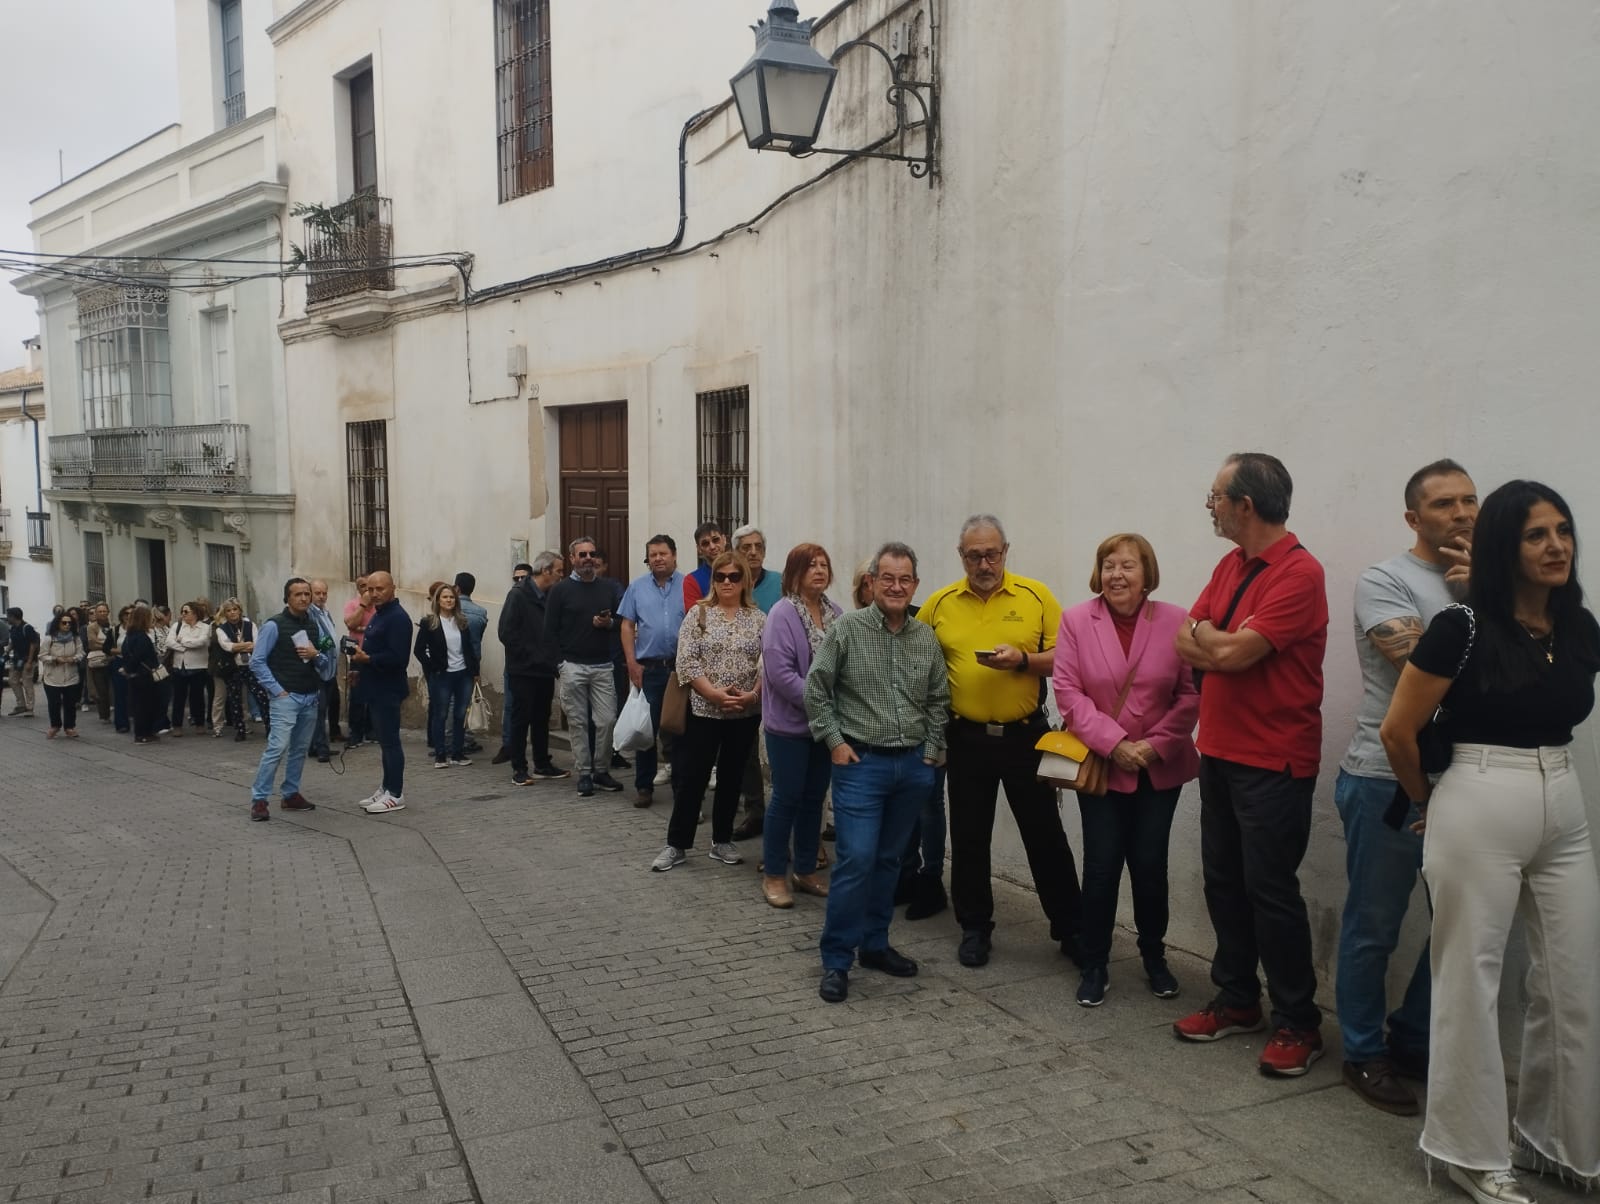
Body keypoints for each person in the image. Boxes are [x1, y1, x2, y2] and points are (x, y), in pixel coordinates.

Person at [1380, 480, 1600, 1204]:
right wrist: (1424, 801)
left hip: (1562, 799)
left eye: (1563, 531)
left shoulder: (1578, 626)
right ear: (1507, 545)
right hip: (1477, 793)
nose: (1556, 545)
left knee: (1573, 980)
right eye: (1537, 534)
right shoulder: (1462, 626)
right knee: (1469, 977)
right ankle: (1468, 1151)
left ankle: (1557, 1141)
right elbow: (1399, 730)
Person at [1173, 452, 1328, 1077]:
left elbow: (1232, 653)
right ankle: (1239, 1000)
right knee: (1224, 883)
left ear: (1246, 504)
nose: (1210, 507)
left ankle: (1299, 1022)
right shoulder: (1230, 563)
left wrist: (1213, 641)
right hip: (1222, 751)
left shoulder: (1299, 573)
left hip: (1275, 762)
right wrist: (1214, 641)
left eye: (1215, 496)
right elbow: (1185, 635)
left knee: (1271, 893)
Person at [1335, 460, 1477, 1116]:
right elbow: (1433, 672)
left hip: (1469, 781)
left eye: (1471, 500)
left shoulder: (1494, 583)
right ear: (1414, 519)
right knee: (1374, 926)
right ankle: (1363, 1053)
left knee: (1460, 923)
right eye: (1445, 504)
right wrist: (1482, 605)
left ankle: (1414, 1038)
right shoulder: (1386, 581)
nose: (1463, 513)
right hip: (1385, 779)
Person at [917, 515, 1083, 969]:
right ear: (961, 556)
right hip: (966, 737)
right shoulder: (940, 603)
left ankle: (1071, 928)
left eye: (992, 553)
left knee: (1045, 835)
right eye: (974, 555)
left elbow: (1067, 658)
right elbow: (914, 653)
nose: (984, 563)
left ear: (1006, 551)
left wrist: (1023, 660)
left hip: (1023, 735)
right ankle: (974, 928)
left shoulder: (1036, 596)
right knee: (969, 837)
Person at [1053, 533, 1201, 1007]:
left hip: (1159, 766)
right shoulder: (1077, 620)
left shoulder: (1177, 621)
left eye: (1128, 566)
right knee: (1100, 868)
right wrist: (1116, 744)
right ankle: (1094, 962)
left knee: (1150, 866)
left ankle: (1154, 957)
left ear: (1146, 573)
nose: (1117, 574)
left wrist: (1154, 747)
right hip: (1102, 764)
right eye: (1108, 565)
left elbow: (1191, 695)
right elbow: (1069, 692)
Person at [804, 542, 948, 1004]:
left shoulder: (925, 637)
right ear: (871, 582)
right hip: (861, 766)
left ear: (915, 585)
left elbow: (939, 701)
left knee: (889, 861)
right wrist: (836, 743)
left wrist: (930, 752)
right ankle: (836, 959)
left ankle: (876, 944)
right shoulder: (847, 629)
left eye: (905, 579)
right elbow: (815, 690)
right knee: (856, 860)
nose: (896, 586)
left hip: (911, 769)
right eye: (887, 578)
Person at [650, 551, 765, 872]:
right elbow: (686, 661)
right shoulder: (699, 614)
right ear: (713, 579)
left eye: (734, 576)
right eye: (720, 576)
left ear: (745, 580)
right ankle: (677, 844)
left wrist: (752, 695)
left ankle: (722, 840)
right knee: (692, 777)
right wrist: (713, 693)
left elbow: (766, 663)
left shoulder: (758, 618)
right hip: (704, 711)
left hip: (743, 712)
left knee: (731, 778)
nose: (727, 582)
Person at [759, 543, 840, 907]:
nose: (820, 571)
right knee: (787, 798)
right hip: (789, 727)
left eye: (824, 565)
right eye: (812, 566)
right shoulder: (781, 613)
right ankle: (774, 875)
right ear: (796, 572)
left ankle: (806, 870)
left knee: (814, 801)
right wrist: (821, 704)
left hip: (823, 728)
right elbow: (780, 674)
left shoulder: (836, 613)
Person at [246, 578, 336, 821]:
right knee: (276, 748)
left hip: (310, 695)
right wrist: (277, 690)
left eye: (307, 594)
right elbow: (257, 661)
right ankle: (260, 799)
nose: (304, 598)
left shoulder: (314, 625)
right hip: (286, 697)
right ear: (287, 598)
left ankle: (291, 794)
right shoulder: (274, 625)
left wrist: (316, 654)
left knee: (299, 749)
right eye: (298, 594)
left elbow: (324, 662)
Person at [545, 536, 626, 797]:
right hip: (573, 666)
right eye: (582, 555)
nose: (588, 558)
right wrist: (560, 664)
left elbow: (621, 622)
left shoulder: (607, 588)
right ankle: (584, 772)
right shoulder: (560, 590)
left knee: (607, 720)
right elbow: (549, 631)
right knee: (578, 723)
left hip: (603, 665)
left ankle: (601, 769)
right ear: (573, 559)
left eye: (591, 554)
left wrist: (608, 624)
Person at [619, 535, 687, 806]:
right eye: (653, 555)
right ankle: (644, 787)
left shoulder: (688, 585)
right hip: (651, 670)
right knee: (646, 730)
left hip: (683, 670)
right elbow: (626, 626)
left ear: (674, 555)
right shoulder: (636, 588)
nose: (658, 558)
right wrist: (632, 663)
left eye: (663, 553)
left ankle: (682, 787)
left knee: (681, 731)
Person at [499, 554, 568, 785]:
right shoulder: (518, 595)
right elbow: (507, 633)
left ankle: (543, 763)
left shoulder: (551, 597)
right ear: (546, 571)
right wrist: (532, 656)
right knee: (521, 719)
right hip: (523, 670)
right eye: (558, 571)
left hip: (545, 670)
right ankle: (519, 768)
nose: (561, 575)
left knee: (542, 718)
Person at [351, 571, 411, 814]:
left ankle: (395, 793)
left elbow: (399, 658)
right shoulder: (379, 614)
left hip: (388, 689)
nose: (374, 594)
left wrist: (369, 658)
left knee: (391, 742)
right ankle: (386, 787)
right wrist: (360, 668)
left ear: (393, 589)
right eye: (370, 589)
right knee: (385, 743)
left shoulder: (397, 618)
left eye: (380, 589)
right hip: (374, 687)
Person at [415, 583, 478, 770]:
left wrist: (475, 671)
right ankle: (441, 754)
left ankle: (457, 753)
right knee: (440, 714)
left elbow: (470, 648)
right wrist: (432, 666)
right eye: (445, 597)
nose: (449, 600)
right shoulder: (430, 622)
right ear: (438, 600)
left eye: (451, 597)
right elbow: (418, 650)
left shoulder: (462, 621)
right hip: (442, 675)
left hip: (463, 674)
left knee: (460, 714)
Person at [453, 571, 489, 754]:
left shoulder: (450, 609)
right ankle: (467, 739)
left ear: (457, 588)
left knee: (451, 701)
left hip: (451, 660)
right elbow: (478, 637)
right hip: (472, 661)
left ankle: (450, 738)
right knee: (468, 701)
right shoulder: (481, 613)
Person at [307, 581, 343, 759]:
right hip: (318, 667)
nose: (321, 596)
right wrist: (329, 643)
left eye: (324, 593)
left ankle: (315, 745)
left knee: (325, 707)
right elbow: (317, 639)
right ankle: (321, 749)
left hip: (329, 667)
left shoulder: (325, 612)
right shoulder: (310, 613)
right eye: (317, 593)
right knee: (319, 710)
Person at [214, 599, 257, 740]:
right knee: (235, 699)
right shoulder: (221, 629)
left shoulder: (250, 625)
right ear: (225, 613)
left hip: (250, 665)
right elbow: (228, 646)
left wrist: (240, 645)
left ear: (239, 610)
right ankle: (240, 730)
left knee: (260, 695)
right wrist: (245, 645)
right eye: (228, 610)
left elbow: (256, 644)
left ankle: (268, 727)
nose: (232, 612)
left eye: (235, 609)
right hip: (233, 667)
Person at [167, 601, 212, 736]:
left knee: (197, 697)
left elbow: (201, 642)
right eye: (182, 611)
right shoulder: (177, 626)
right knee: (179, 697)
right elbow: (169, 642)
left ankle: (199, 723)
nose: (183, 614)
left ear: (195, 613)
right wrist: (184, 648)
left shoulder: (205, 627)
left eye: (186, 611)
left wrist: (182, 641)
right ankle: (177, 725)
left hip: (198, 666)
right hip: (179, 666)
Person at [119, 604, 162, 743]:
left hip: (135, 676)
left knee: (141, 704)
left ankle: (145, 732)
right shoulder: (142, 637)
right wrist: (128, 668)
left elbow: (126, 653)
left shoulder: (129, 636)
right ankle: (142, 733)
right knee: (145, 705)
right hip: (144, 675)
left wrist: (127, 669)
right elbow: (138, 656)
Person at [40, 612, 85, 738]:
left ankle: (69, 727)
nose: (67, 625)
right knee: (54, 703)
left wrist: (74, 658)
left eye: (69, 623)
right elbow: (42, 656)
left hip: (71, 676)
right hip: (52, 677)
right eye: (64, 622)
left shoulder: (75, 638)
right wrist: (54, 659)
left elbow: (81, 653)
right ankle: (55, 725)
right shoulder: (50, 639)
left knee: (70, 703)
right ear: (57, 623)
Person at [343, 576, 374, 748]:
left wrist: (362, 628)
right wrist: (363, 605)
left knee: (374, 695)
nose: (367, 589)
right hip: (357, 656)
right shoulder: (352, 605)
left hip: (375, 656)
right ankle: (355, 733)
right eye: (363, 586)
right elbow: (351, 624)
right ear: (358, 588)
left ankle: (371, 731)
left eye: (369, 586)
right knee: (357, 696)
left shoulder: (379, 606)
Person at [681, 521, 728, 607]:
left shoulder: (740, 572)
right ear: (699, 549)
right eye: (705, 543)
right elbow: (695, 617)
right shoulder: (692, 581)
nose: (712, 547)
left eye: (715, 540)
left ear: (724, 540)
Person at [6, 607, 39, 717]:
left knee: (27, 683)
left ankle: (30, 708)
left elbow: (33, 644)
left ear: (13, 616)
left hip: (27, 659)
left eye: (8, 616)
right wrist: (7, 651)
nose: (7, 618)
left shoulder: (27, 627)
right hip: (16, 659)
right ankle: (21, 705)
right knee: (13, 680)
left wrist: (29, 661)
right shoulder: (13, 628)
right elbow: (12, 642)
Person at [85, 603, 114, 723]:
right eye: (100, 611)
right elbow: (92, 644)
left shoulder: (113, 626)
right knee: (101, 689)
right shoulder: (92, 627)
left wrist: (103, 644)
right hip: (98, 662)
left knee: (112, 688)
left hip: (112, 660)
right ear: (96, 614)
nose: (102, 613)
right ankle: (104, 715)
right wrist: (109, 647)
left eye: (104, 611)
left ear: (108, 612)